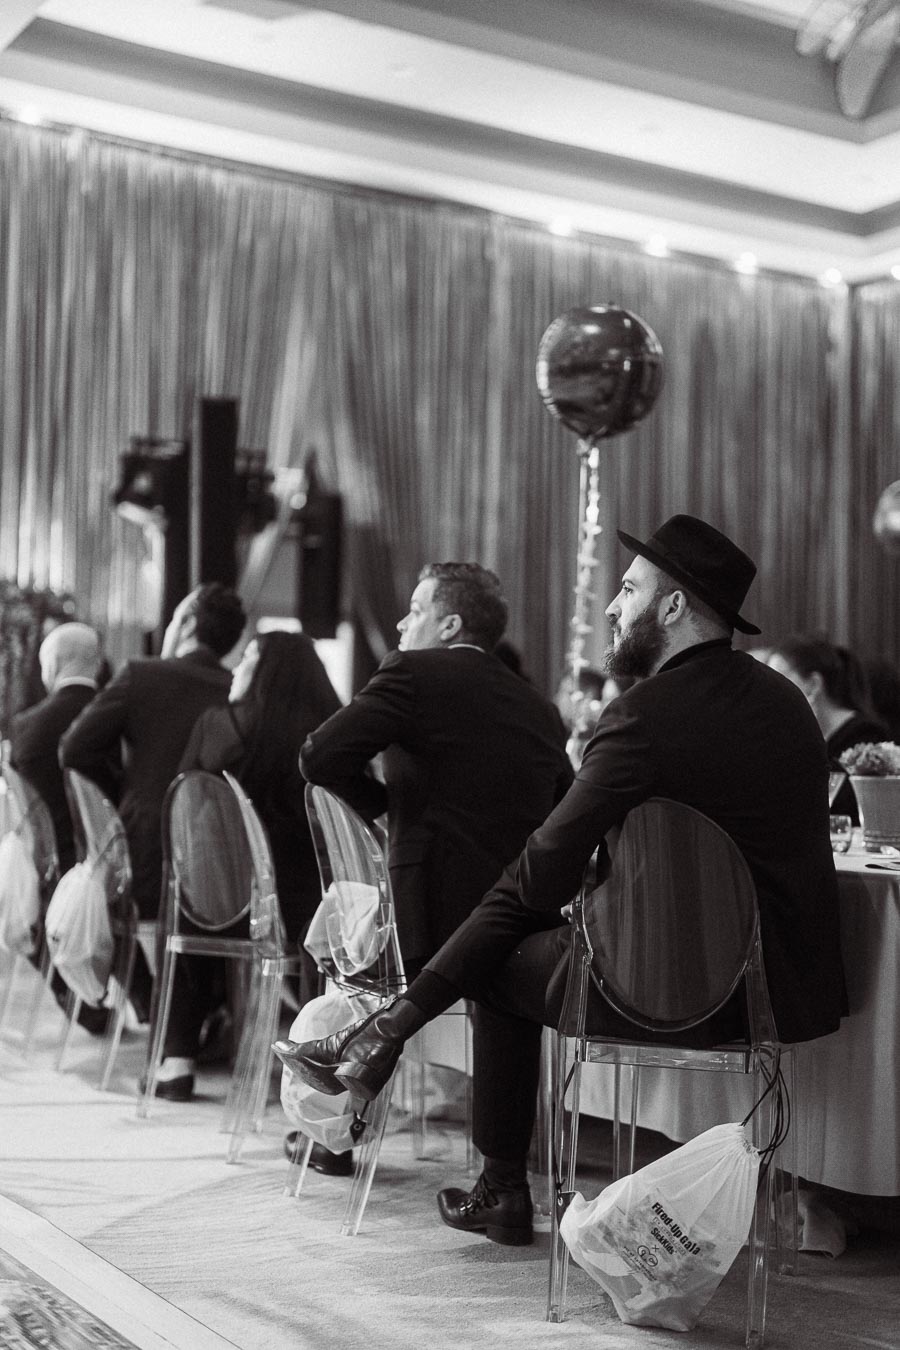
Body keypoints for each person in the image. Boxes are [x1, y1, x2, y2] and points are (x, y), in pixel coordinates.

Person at [276, 515, 845, 1247]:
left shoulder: (641, 717)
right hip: (773, 996)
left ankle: (498, 1181)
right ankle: (386, 1053)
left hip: (661, 987)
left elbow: (540, 875)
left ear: (673, 608)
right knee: (516, 927)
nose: (613, 604)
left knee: (498, 952)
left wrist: (406, 1011)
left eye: (630, 588)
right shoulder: (789, 708)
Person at [299, 562, 573, 971]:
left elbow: (319, 756)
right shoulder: (542, 709)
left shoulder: (411, 672)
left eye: (415, 610)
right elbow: (563, 811)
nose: (401, 623)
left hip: (426, 911)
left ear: (449, 627)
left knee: (343, 971)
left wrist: (385, 807)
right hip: (519, 923)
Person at [152, 631, 342, 1101]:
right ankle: (319, 1052)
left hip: (226, 911)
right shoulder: (332, 735)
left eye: (248, 660)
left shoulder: (220, 725)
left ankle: (177, 1058)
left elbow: (184, 811)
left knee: (184, 897)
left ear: (264, 670)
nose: (236, 669)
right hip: (310, 920)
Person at [61, 584, 247, 921]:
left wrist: (125, 794)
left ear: (188, 623)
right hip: (220, 869)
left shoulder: (141, 675)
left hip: (144, 852)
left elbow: (74, 749)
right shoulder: (238, 692)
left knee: (139, 958)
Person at [9, 622, 105, 875]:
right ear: (99, 663)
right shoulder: (118, 720)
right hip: (110, 868)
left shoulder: (24, 726)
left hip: (46, 867)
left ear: (52, 664)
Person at [767, 635, 887, 821]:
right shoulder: (799, 738)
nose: (771, 692)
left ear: (813, 685)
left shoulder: (866, 739)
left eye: (778, 681)